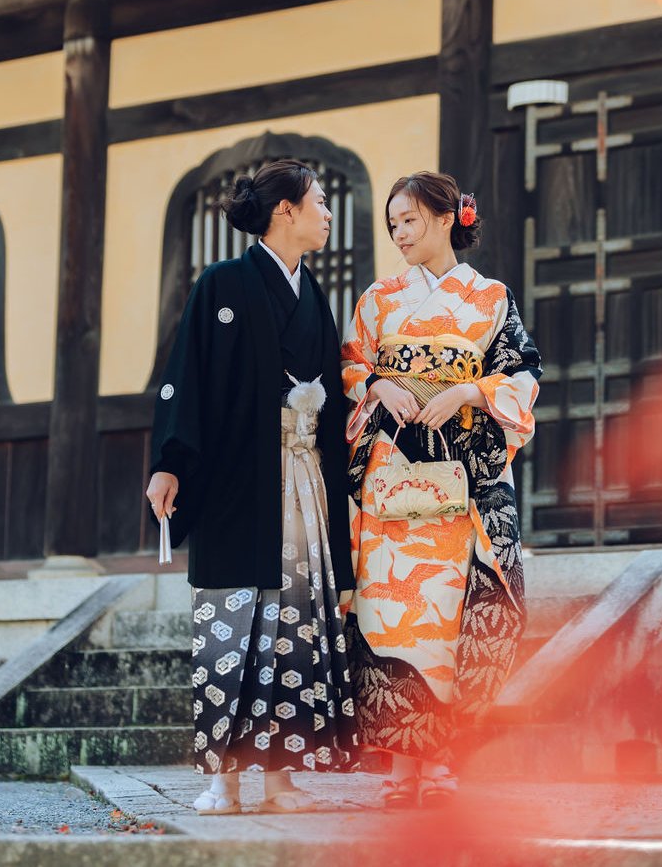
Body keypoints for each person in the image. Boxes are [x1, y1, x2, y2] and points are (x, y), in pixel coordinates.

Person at [146, 159, 357, 815]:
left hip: (302, 482)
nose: (327, 212)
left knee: (293, 626)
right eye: (319, 201)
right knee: (232, 626)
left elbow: (337, 400)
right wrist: (170, 462)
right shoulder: (223, 285)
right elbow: (187, 377)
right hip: (239, 480)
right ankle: (224, 778)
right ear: (285, 211)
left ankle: (281, 777)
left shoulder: (314, 294)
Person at [342, 171, 540, 807]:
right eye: (392, 224)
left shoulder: (489, 298)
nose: (399, 234)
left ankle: (445, 762)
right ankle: (403, 769)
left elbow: (522, 373)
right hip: (392, 482)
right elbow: (347, 364)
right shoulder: (376, 301)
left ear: (448, 217)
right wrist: (376, 385)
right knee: (393, 622)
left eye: (410, 221)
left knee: (455, 619)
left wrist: (467, 389)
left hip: (463, 483)